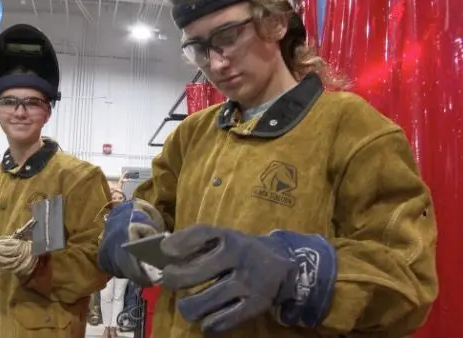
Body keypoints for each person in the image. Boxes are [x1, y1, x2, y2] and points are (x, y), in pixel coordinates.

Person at [97, 1, 438, 337]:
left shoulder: (354, 130)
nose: (215, 63)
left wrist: (293, 270)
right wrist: (131, 221)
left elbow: (408, 281)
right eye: (197, 48)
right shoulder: (192, 134)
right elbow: (153, 205)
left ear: (275, 22)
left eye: (228, 36)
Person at [0, 24, 110, 338]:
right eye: (8, 102)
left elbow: (98, 265)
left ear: (48, 112)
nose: (19, 112)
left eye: (32, 102)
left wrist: (36, 266)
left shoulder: (78, 180)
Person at [99, 188, 129, 338]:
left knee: (118, 296)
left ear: (124, 201)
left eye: (120, 198)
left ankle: (114, 328)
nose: (117, 200)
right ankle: (106, 326)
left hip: (124, 260)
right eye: (114, 197)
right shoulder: (103, 217)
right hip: (106, 261)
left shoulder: (130, 217)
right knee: (105, 295)